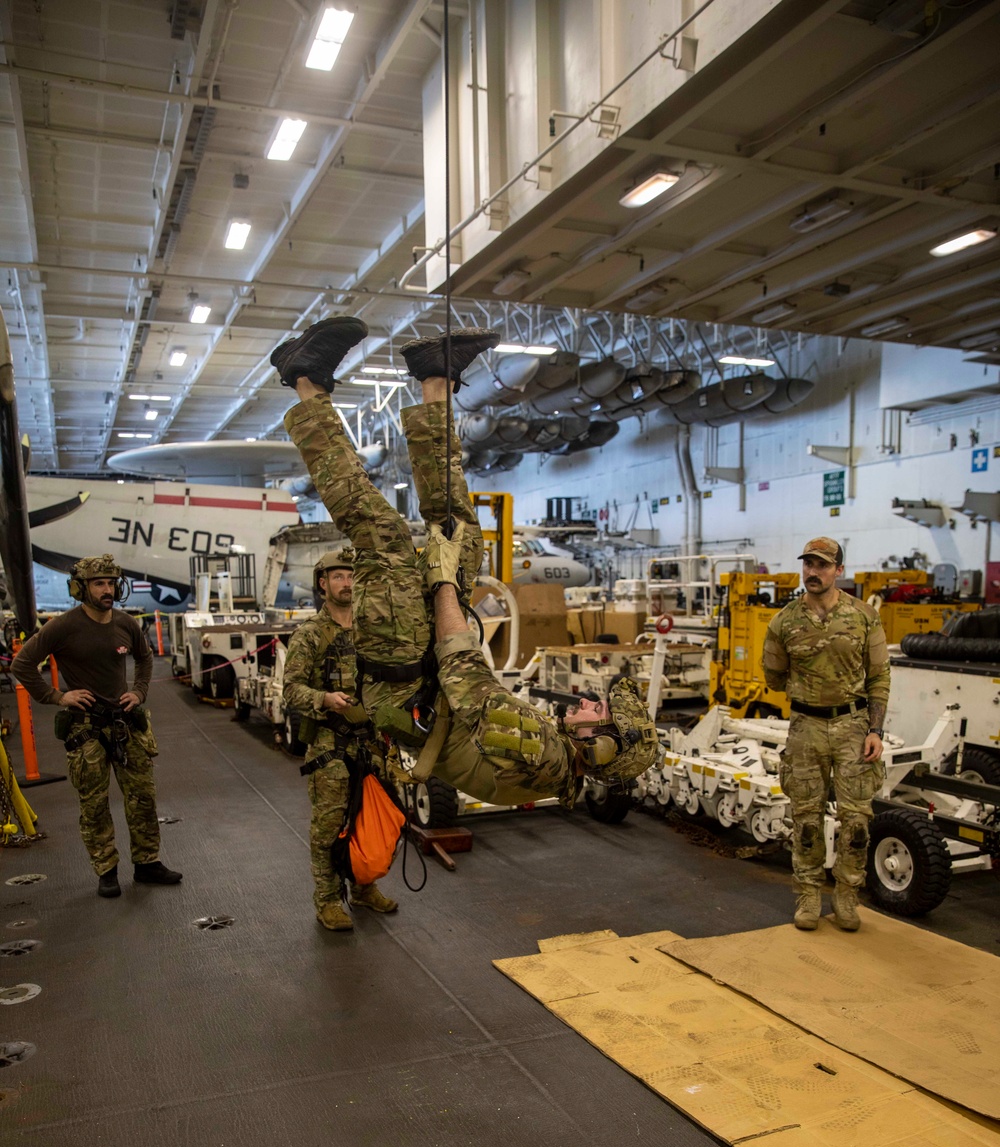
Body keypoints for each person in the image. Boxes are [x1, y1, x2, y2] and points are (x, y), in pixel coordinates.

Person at [270, 318, 657, 814]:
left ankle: (306, 382)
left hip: (405, 684)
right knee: (461, 533)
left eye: (597, 712)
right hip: (424, 685)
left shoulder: (542, 753)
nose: (586, 701)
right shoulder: (558, 762)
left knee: (379, 531)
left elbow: (462, 665)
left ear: (600, 747)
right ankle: (435, 379)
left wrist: (442, 583)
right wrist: (448, 568)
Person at [12, 554, 182, 898]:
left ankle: (147, 863)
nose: (108, 590)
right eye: (99, 583)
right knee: (94, 805)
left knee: (143, 798)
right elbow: (23, 663)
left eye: (111, 583)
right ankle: (107, 871)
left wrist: (139, 691)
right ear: (81, 588)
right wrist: (57, 696)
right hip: (86, 730)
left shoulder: (125, 623)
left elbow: (144, 657)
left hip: (127, 725)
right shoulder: (63, 626)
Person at [762, 536, 890, 932]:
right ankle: (809, 895)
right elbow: (773, 676)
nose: (812, 572)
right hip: (806, 728)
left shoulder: (864, 616)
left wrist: (875, 729)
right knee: (806, 818)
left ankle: (848, 897)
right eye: (808, 564)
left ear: (838, 570)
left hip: (854, 728)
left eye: (821, 565)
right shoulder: (783, 621)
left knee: (855, 822)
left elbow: (879, 675)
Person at [282, 544, 399, 932]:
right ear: (323, 584)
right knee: (328, 827)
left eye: (351, 576)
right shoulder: (310, 635)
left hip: (371, 743)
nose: (347, 583)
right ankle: (328, 901)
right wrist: (324, 699)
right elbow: (291, 689)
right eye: (338, 576)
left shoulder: (370, 631)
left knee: (369, 820)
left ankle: (365, 888)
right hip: (330, 746)